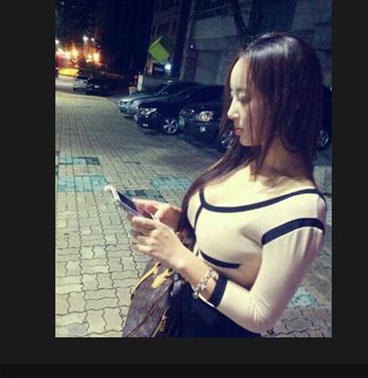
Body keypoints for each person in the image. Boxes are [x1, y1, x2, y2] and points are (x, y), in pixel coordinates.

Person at [128, 32, 327, 337]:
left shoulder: (302, 208)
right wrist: (178, 221)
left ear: (292, 102)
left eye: (244, 99)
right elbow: (223, 236)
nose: (231, 111)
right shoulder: (239, 159)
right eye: (232, 96)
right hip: (179, 315)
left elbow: (260, 315)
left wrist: (178, 256)